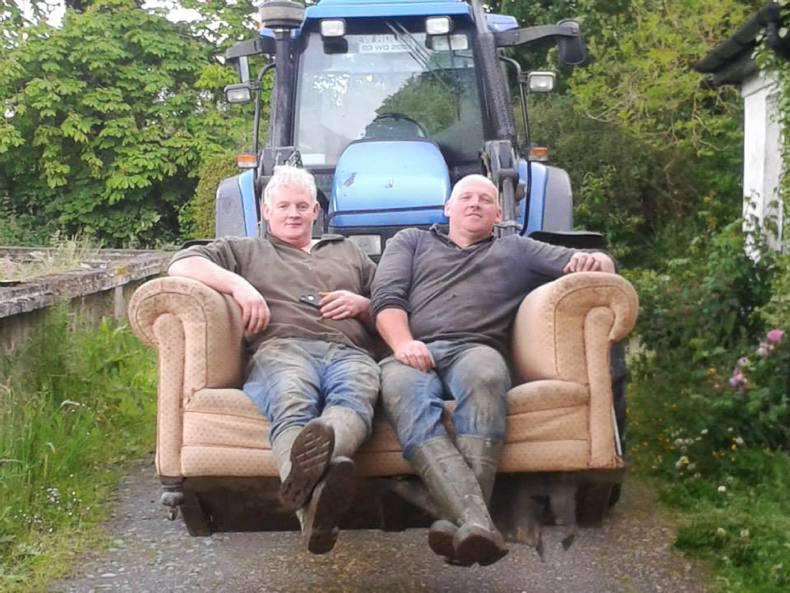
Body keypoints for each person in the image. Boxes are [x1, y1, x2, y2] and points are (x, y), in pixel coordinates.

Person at [371, 174, 615, 567]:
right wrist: (403, 344)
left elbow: (596, 262)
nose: (474, 204)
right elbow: (386, 298)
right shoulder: (411, 241)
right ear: (447, 208)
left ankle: (464, 522)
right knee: (403, 392)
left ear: (498, 213)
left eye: (485, 199)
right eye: (465, 197)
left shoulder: (516, 248)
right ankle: (478, 524)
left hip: (476, 349)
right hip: (413, 350)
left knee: (486, 378)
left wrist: (599, 261)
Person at [168, 165, 379, 555]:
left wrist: (364, 305)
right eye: (283, 206)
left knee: (356, 398)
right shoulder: (245, 250)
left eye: (301, 206)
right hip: (282, 349)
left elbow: (392, 302)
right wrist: (239, 285)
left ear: (316, 211)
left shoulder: (349, 251)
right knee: (291, 398)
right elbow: (181, 263)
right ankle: (313, 503)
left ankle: (310, 506)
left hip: (349, 351)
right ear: (266, 211)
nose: (293, 214)